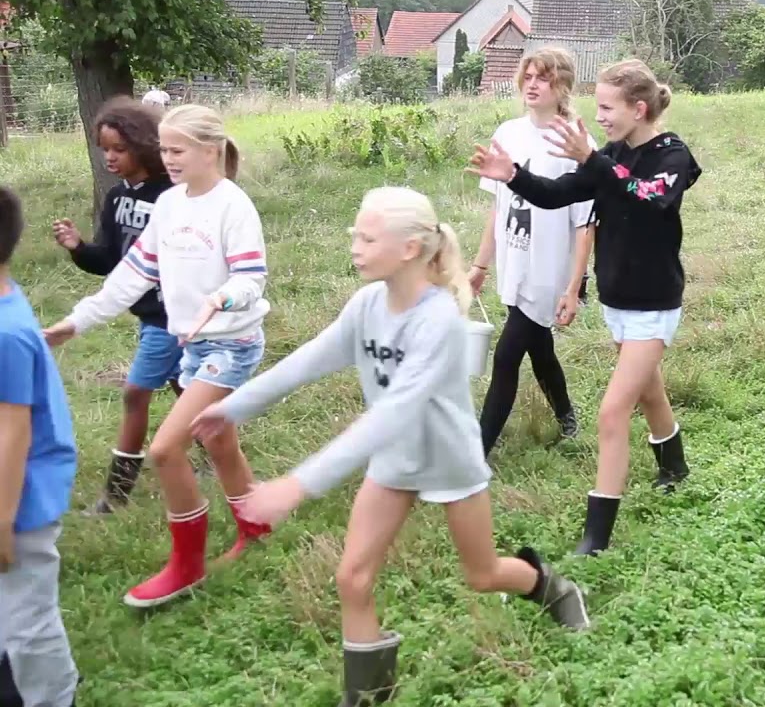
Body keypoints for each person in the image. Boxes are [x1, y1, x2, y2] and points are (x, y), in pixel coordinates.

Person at [191, 186, 590, 706]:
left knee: (482, 573)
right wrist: (232, 407)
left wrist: (296, 486)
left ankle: (549, 586)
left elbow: (395, 411)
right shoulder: (366, 306)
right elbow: (308, 360)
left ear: (408, 249)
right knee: (352, 578)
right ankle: (370, 696)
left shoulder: (440, 321)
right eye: (355, 233)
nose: (354, 244)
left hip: (448, 460)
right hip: (395, 462)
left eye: (367, 235)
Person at [468, 59, 701, 556]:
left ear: (638, 109)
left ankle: (596, 536)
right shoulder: (611, 154)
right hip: (619, 301)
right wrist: (512, 175)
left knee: (613, 411)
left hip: (655, 304)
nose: (598, 118)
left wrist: (593, 159)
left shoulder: (671, 156)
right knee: (649, 392)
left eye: (606, 108)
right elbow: (557, 195)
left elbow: (646, 196)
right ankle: (675, 466)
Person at [44, 104, 273, 607]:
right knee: (219, 443)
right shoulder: (170, 206)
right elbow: (132, 275)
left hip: (230, 344)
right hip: (190, 344)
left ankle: (185, 566)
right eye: (164, 149)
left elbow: (251, 278)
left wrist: (222, 298)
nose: (167, 159)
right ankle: (256, 526)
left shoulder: (232, 206)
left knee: (168, 448)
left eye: (177, 150)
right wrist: (74, 323)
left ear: (210, 150)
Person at [52, 96, 183, 515]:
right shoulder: (115, 199)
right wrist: (78, 249)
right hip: (147, 314)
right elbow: (110, 262)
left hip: (172, 315)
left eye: (119, 149)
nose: (109, 157)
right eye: (104, 149)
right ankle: (219, 452)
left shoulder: (174, 197)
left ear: (143, 145)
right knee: (188, 388)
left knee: (134, 394)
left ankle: (115, 496)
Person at [468, 46, 596, 457]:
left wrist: (573, 287)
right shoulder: (507, 134)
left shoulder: (575, 142)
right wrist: (480, 265)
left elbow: (584, 223)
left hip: (549, 270)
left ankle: (475, 452)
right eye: (528, 76)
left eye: (544, 77)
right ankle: (566, 414)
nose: (533, 84)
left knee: (506, 357)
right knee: (538, 347)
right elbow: (498, 207)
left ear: (563, 86)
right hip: (514, 262)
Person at [0, 186, 80, 707]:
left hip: (18, 500)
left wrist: (1, 522)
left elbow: (13, 433)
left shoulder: (5, 334)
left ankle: (53, 696)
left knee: (29, 616)